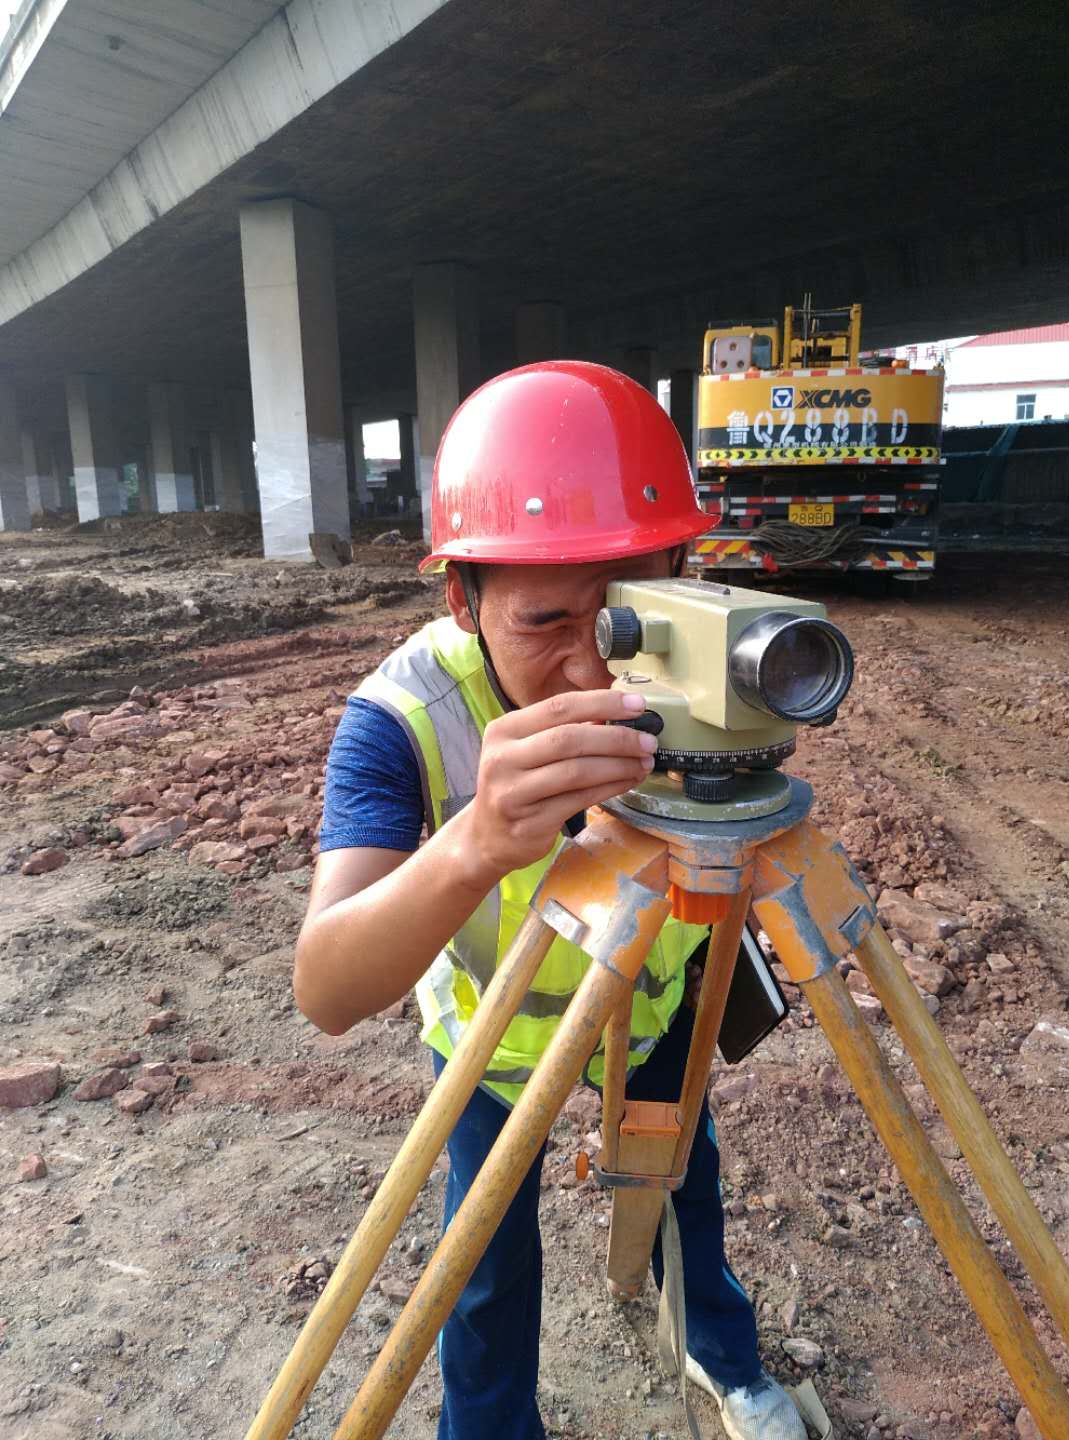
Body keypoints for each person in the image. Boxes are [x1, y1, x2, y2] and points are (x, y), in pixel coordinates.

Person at [295, 361, 807, 1440]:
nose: (592, 669)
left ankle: (720, 1355)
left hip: (660, 1007)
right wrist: (477, 840)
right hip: (495, 1039)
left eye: (628, 618)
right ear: (461, 597)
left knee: (685, 1185)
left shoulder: (703, 674)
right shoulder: (402, 719)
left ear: (682, 573)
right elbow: (327, 989)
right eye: (544, 622)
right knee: (483, 1258)